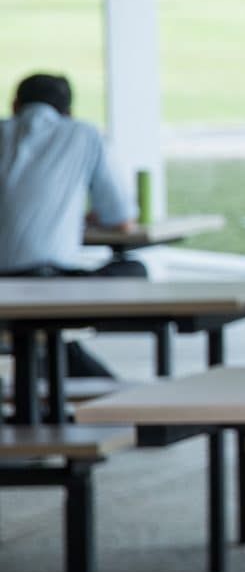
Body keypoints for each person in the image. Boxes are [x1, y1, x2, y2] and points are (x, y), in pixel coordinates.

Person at [1, 73, 144, 390]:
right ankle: (101, 388)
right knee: (134, 269)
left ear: (15, 105)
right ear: (69, 112)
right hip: (50, 283)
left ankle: (56, 368)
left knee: (43, 330)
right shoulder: (83, 134)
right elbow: (122, 218)